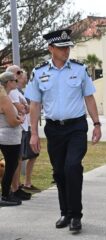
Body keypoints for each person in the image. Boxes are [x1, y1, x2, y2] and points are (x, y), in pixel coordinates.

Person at [25, 29, 102, 232]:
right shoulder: (39, 72)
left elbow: (89, 98)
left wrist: (96, 124)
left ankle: (76, 215)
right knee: (59, 172)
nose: (66, 51)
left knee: (72, 167)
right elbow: (34, 104)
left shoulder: (79, 69)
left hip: (76, 127)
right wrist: (33, 133)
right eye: (61, 48)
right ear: (51, 49)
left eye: (68, 47)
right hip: (53, 129)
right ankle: (65, 213)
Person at [7, 66, 37, 202]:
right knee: (15, 161)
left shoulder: (17, 91)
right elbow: (22, 108)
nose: (20, 75)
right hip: (15, 128)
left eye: (20, 72)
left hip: (22, 128)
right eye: (17, 72)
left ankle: (17, 187)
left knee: (18, 160)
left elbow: (27, 108)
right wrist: (25, 107)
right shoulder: (12, 92)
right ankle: (14, 188)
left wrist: (25, 107)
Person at [0, 72, 25, 207]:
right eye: (15, 80)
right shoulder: (4, 99)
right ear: (9, 82)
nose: (17, 82)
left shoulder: (4, 97)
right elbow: (12, 121)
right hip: (9, 138)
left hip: (6, 136)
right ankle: (5, 195)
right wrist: (20, 119)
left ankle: (6, 193)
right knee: (11, 165)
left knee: (11, 165)